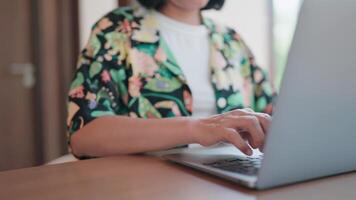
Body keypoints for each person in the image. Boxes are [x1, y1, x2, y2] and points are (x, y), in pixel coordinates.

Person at [67, 0, 277, 159]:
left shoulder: (231, 41)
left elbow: (274, 113)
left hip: (233, 180)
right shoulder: (116, 30)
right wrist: (196, 128)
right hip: (148, 185)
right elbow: (84, 135)